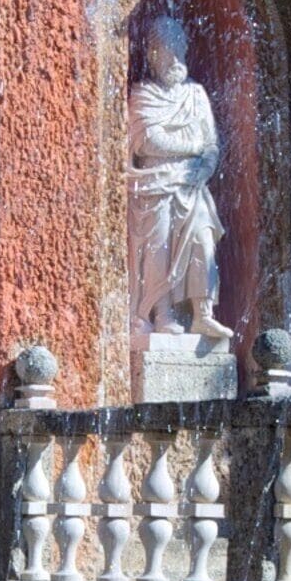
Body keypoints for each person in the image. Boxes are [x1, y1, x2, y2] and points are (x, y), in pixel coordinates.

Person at [124, 18, 225, 351]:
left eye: (179, 51)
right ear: (153, 55)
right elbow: (146, 142)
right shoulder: (143, 94)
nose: (175, 59)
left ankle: (202, 311)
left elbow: (210, 145)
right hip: (153, 186)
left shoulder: (196, 95)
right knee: (158, 248)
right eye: (168, 52)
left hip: (193, 185)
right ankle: (162, 313)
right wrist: (192, 145)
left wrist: (202, 167)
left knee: (203, 239)